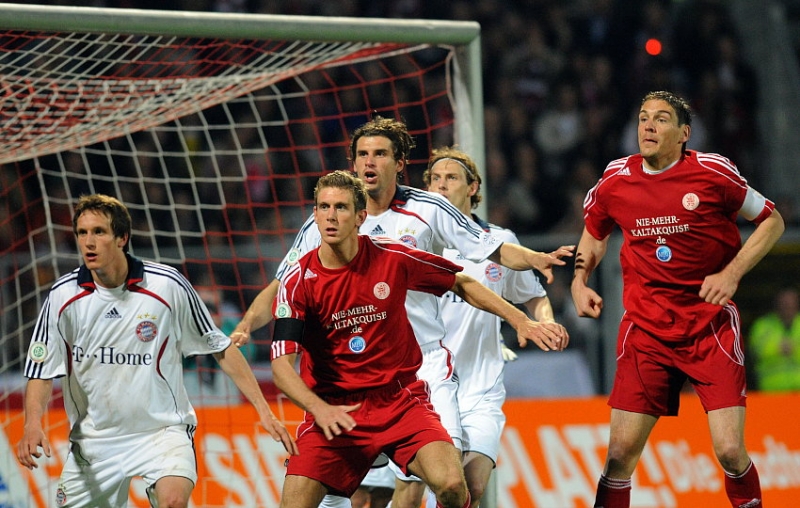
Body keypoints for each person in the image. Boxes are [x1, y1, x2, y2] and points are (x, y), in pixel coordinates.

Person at [230, 115, 573, 508]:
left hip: (415, 370)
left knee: (450, 485)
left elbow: (483, 256)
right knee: (364, 496)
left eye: (379, 153)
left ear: (399, 163)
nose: (369, 162)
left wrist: (529, 280)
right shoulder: (317, 234)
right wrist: (246, 324)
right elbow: (281, 290)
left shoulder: (419, 221)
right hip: (341, 383)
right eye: (362, 154)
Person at [570, 90, 785, 508]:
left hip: (709, 326)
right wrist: (580, 280)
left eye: (661, 119)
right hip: (646, 330)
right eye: (643, 117)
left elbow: (772, 221)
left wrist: (732, 273)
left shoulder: (713, 172)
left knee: (730, 451)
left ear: (684, 133)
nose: (648, 126)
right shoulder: (615, 179)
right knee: (619, 456)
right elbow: (594, 235)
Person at [16, 194, 297, 508]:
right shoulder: (62, 296)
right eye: (82, 233)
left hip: (162, 433)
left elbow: (221, 348)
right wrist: (32, 424)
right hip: (94, 442)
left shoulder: (166, 285)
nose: (88, 242)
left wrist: (264, 410)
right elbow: (41, 369)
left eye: (99, 232)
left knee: (173, 500)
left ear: (122, 238)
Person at [423, 146, 570, 507]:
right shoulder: (416, 241)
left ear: (473, 187)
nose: (441, 185)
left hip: (482, 387)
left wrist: (546, 324)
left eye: (451, 178)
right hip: (426, 386)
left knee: (472, 486)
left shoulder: (500, 242)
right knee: (435, 489)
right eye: (435, 179)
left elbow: (533, 297)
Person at [749, 286, 800, 391]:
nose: (788, 306)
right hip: (771, 390)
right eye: (784, 302)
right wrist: (777, 349)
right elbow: (755, 352)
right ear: (777, 303)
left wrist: (794, 348)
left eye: (791, 302)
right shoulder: (762, 325)